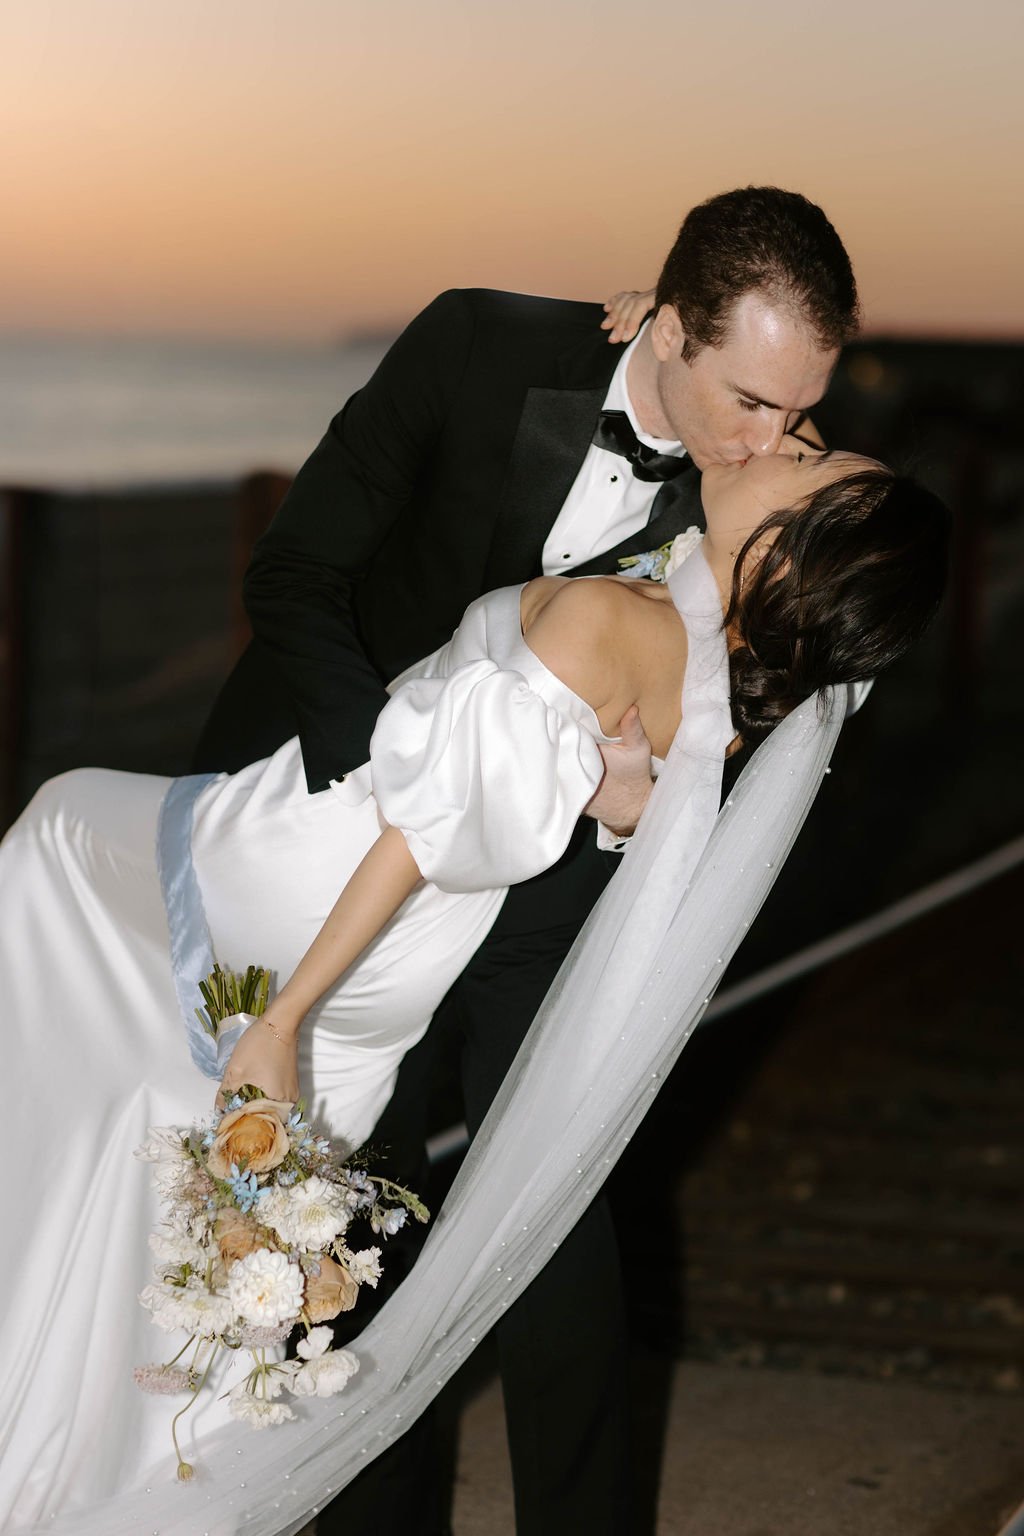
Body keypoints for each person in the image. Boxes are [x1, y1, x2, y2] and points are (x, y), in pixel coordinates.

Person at [0, 437, 948, 1536]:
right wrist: (623, 802)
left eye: (811, 462)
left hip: (332, 876)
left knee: (58, 833)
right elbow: (623, 804)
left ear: (789, 556)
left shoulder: (619, 622)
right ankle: (96, 1430)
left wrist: (287, 1017)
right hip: (409, 966)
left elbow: (423, 826)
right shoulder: (716, 680)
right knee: (170, 1112)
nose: (787, 439)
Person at [189, 185, 862, 1535]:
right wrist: (396, 776)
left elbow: (743, 704)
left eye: (801, 414)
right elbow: (299, 573)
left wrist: (625, 808)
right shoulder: (479, 350)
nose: (773, 440)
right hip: (348, 804)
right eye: (751, 402)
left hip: (558, 868)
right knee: (356, 1192)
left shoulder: (767, 478)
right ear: (665, 326)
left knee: (552, 1199)